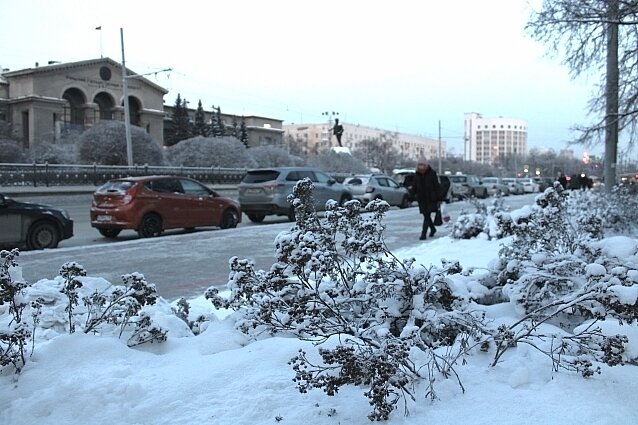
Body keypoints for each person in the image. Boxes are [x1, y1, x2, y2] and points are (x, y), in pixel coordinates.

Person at [410, 157, 441, 240]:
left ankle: (423, 234)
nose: (421, 167)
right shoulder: (417, 174)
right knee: (426, 215)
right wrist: (411, 196)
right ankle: (433, 229)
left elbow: (437, 186)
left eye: (422, 165)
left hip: (431, 198)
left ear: (426, 165)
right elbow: (414, 186)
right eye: (419, 165)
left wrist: (439, 198)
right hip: (421, 198)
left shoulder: (432, 173)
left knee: (427, 216)